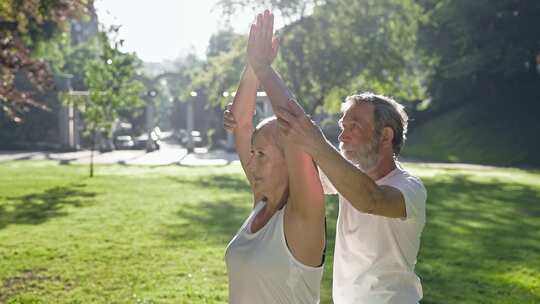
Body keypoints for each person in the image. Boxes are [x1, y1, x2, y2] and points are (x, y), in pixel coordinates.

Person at [224, 28, 428, 304]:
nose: (343, 136)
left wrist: (314, 142)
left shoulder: (409, 189)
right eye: (342, 127)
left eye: (354, 126)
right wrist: (252, 73)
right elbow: (271, 168)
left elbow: (370, 198)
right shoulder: (339, 179)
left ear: (386, 135)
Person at [224, 10, 326, 304]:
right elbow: (242, 122)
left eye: (262, 155)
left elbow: (293, 121)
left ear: (290, 161)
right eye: (252, 153)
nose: (250, 163)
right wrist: (252, 66)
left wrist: (265, 69)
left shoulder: (304, 217)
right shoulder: (262, 203)